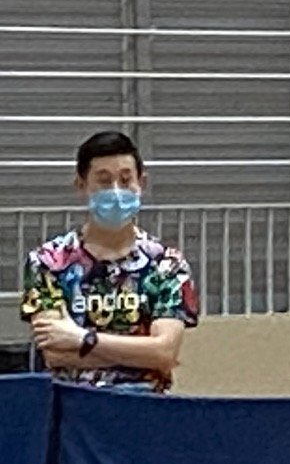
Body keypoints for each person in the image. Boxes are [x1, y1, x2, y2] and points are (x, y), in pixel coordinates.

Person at [20, 131, 198, 390]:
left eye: (126, 180)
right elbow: (56, 353)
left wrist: (82, 338)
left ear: (142, 183)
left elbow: (164, 354)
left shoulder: (167, 264)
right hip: (73, 409)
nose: (116, 191)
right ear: (81, 185)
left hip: (147, 409)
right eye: (104, 181)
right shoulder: (48, 261)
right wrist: (140, 352)